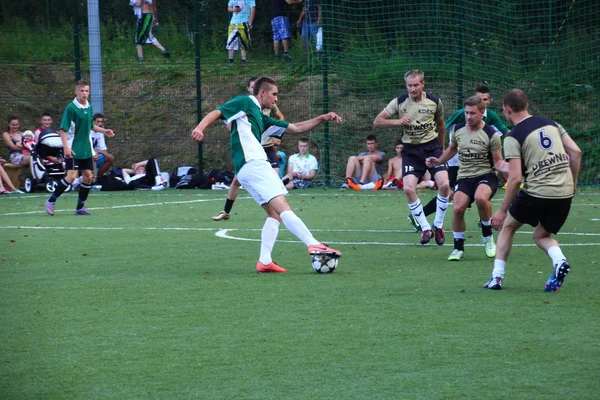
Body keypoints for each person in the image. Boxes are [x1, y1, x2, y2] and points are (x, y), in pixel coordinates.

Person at [191, 76, 343, 273]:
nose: (276, 99)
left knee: (274, 214)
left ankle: (264, 261)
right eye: (274, 94)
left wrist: (322, 118)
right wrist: (200, 127)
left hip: (245, 170)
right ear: (262, 92)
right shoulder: (246, 101)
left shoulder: (261, 116)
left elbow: (295, 128)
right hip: (254, 163)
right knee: (282, 206)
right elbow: (217, 111)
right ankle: (313, 244)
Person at [484, 89, 581, 292]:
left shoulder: (513, 137)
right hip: (563, 193)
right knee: (541, 235)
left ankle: (496, 278)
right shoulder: (552, 124)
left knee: (508, 227)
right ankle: (559, 260)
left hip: (537, 191)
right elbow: (575, 151)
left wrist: (502, 210)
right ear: (527, 104)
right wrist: (572, 183)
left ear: (506, 109)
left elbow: (516, 178)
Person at [411, 85, 511, 231]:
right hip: (457, 160)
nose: (482, 101)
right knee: (452, 193)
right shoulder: (462, 115)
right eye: (479, 98)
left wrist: (518, 138)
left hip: (480, 162)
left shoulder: (491, 116)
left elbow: (504, 131)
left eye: (485, 99)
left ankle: (485, 221)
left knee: (482, 191)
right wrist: (440, 148)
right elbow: (443, 126)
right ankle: (420, 215)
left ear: (488, 102)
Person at [373, 69, 450, 245]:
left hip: (432, 148)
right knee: (408, 189)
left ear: (423, 84)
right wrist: (397, 122)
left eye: (416, 85)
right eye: (409, 85)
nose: (412, 89)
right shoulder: (400, 102)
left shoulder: (434, 102)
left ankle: (438, 225)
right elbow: (377, 121)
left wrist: (442, 149)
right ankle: (425, 228)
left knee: (444, 184)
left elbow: (441, 125)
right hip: (411, 151)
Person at [426, 96, 506, 261]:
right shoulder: (458, 130)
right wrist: (439, 160)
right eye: (466, 113)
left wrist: (511, 175)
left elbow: (498, 162)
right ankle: (458, 248)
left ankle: (487, 236)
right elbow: (452, 149)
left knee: (480, 198)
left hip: (486, 175)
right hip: (464, 176)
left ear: (482, 112)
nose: (469, 117)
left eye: (473, 113)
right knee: (458, 208)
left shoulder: (491, 134)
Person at [213, 76, 285, 221]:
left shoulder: (267, 105)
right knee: (236, 180)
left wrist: (277, 134)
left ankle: (278, 208)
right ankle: (226, 211)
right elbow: (229, 123)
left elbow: (280, 118)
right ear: (250, 89)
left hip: (267, 147)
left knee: (273, 177)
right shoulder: (246, 104)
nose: (253, 90)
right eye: (251, 87)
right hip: (251, 151)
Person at [44, 80, 115, 216]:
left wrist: (103, 131)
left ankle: (80, 207)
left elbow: (90, 126)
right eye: (82, 91)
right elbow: (63, 130)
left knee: (88, 177)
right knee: (71, 176)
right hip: (73, 148)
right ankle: (51, 200)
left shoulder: (89, 107)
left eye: (87, 91)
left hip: (86, 148)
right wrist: (66, 147)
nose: (84, 93)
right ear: (76, 92)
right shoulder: (71, 108)